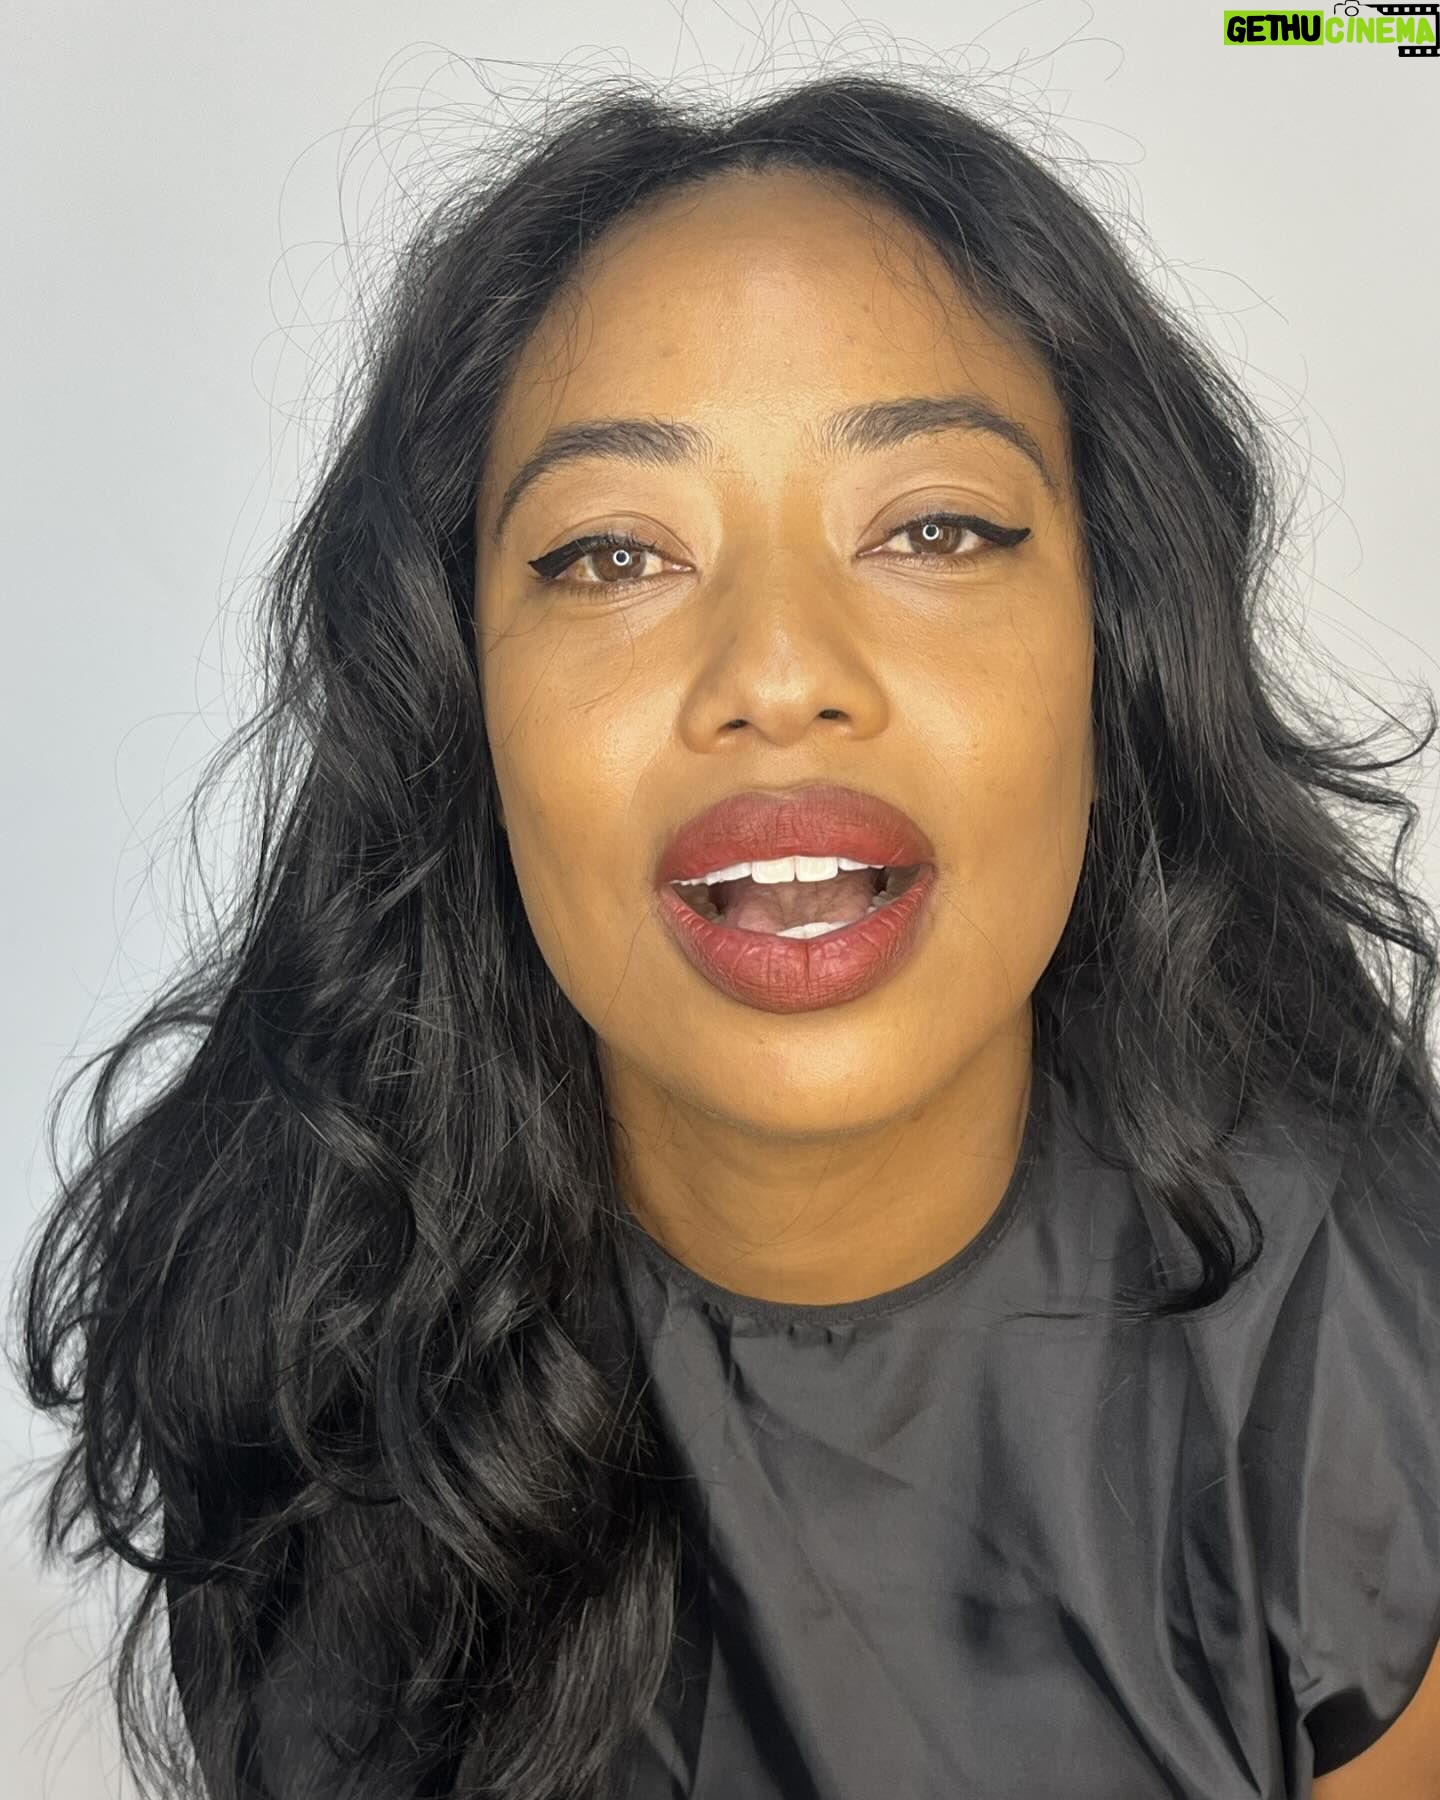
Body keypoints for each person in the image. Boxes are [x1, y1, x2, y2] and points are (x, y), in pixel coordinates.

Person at [10, 67, 1440, 1800]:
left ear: (1113, 651)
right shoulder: (301, 1330)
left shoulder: (1365, 1343)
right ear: (457, 706)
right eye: (613, 556)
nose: (777, 672)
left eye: (934, 527)